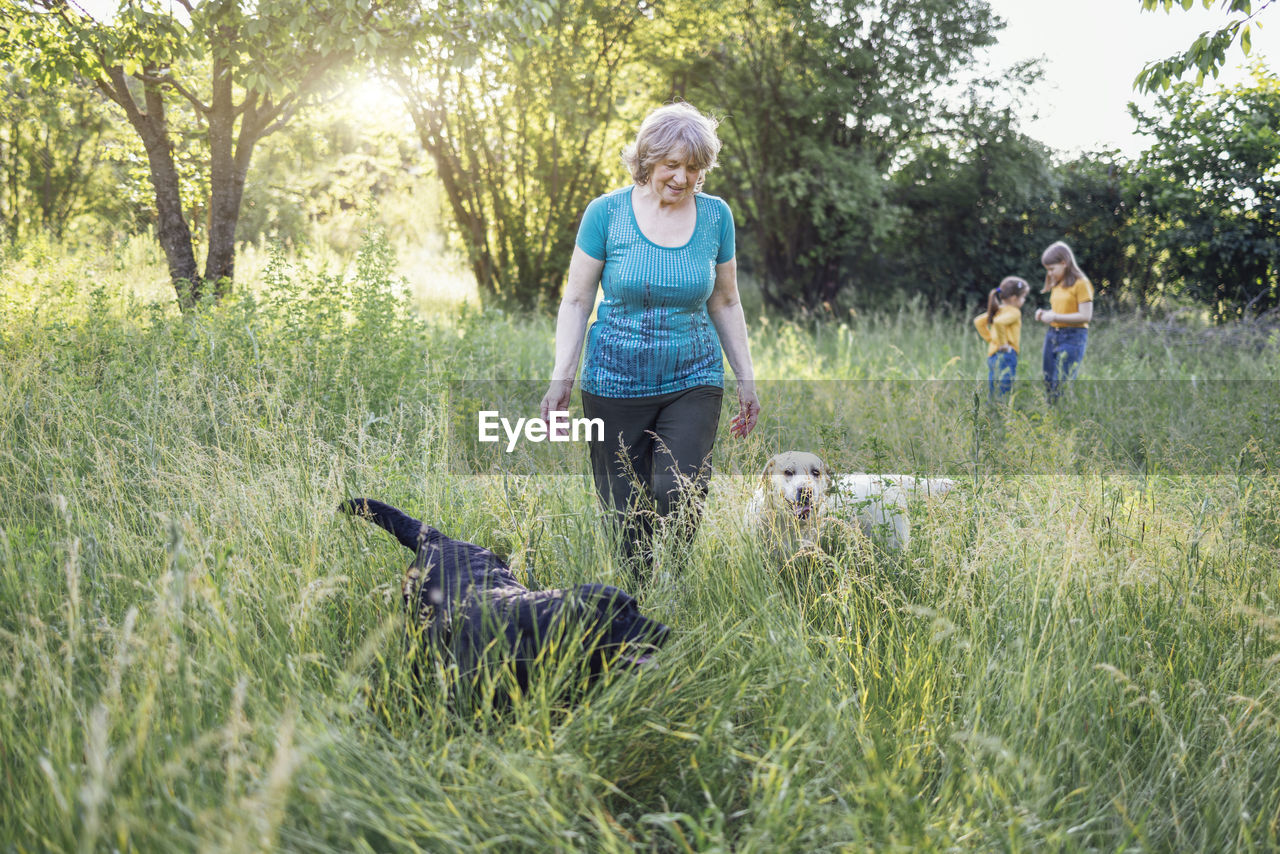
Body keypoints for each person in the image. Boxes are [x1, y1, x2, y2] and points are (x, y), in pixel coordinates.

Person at [539, 102, 760, 583]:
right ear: (647, 159)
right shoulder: (606, 213)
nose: (683, 178)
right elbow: (576, 301)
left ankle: (675, 586)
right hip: (613, 380)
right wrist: (562, 379)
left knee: (677, 488)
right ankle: (637, 604)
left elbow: (725, 302)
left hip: (693, 376)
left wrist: (746, 377)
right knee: (624, 512)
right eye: (672, 165)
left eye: (694, 167)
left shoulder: (716, 217)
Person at [1034, 240, 1094, 403]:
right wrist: (1045, 314)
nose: (1050, 273)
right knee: (1048, 379)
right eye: (1047, 270)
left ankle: (1062, 418)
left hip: (1073, 337)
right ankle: (1051, 416)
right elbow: (1060, 311)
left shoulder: (1082, 284)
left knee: (1062, 383)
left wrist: (1054, 317)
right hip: (1053, 335)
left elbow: (1085, 316)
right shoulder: (1058, 285)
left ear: (1064, 263)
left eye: (1052, 269)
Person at [974, 276, 1030, 400]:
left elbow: (978, 322)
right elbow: (999, 323)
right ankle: (1002, 412)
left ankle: (992, 411)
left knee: (993, 386)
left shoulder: (998, 310)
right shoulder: (1015, 312)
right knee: (1005, 388)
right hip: (1007, 354)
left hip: (993, 354)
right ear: (1014, 298)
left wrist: (991, 340)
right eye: (1023, 297)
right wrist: (1003, 344)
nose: (1024, 300)